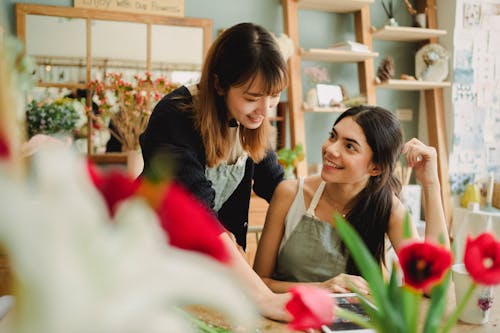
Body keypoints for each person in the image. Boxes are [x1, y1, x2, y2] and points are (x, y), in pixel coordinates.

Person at [139, 22, 290, 321]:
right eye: (251, 97)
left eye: (272, 96)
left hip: (206, 269)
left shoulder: (250, 125)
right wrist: (263, 296)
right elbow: (198, 211)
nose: (265, 110)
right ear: (219, 84)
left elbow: (277, 185)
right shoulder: (175, 115)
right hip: (151, 260)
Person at [253, 105, 450, 294]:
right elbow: (258, 283)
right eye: (332, 136)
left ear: (376, 168)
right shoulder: (289, 193)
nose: (331, 149)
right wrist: (322, 288)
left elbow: (433, 286)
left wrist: (431, 185)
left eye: (349, 146)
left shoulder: (389, 209)